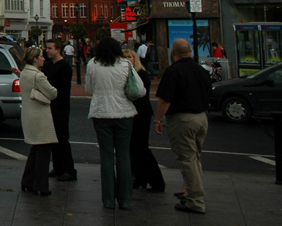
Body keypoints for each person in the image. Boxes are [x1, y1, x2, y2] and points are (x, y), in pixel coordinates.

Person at [154, 38, 212, 214]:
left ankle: (196, 200)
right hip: (201, 118)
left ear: (173, 53)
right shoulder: (201, 71)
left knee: (187, 160)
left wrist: (158, 120)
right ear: (191, 52)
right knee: (195, 158)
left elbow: (165, 99)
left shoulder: (174, 71)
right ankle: (189, 191)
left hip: (183, 119)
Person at [86, 37, 144, 210]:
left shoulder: (92, 65)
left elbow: (89, 89)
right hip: (123, 112)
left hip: (101, 112)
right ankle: (125, 199)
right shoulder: (126, 65)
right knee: (123, 156)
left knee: (106, 157)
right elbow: (139, 89)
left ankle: (109, 199)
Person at [123, 48, 164, 193]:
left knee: (141, 147)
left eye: (130, 57)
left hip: (140, 114)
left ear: (135, 59)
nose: (128, 59)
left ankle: (156, 181)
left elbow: (142, 96)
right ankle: (140, 178)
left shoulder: (141, 74)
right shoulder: (126, 74)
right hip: (131, 114)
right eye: (125, 57)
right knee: (133, 148)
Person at [20, 46, 58, 196]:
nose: (43, 59)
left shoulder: (24, 73)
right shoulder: (38, 76)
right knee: (43, 152)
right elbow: (53, 93)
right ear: (35, 59)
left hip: (29, 115)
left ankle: (27, 181)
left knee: (35, 150)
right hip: (40, 116)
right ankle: (41, 185)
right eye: (41, 57)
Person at [43, 39, 77, 181]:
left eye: (50, 48)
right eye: (47, 48)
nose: (47, 50)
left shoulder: (64, 67)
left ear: (58, 50)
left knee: (62, 138)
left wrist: (56, 102)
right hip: (50, 105)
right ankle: (58, 167)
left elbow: (63, 90)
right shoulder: (49, 65)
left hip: (60, 107)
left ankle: (69, 169)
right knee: (53, 139)